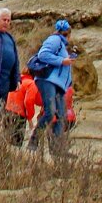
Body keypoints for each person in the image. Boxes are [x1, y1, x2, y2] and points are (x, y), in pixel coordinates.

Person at [29, 19, 75, 154]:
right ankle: (34, 140)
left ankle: (58, 149)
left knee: (61, 115)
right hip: (48, 80)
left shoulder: (62, 45)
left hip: (58, 84)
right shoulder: (55, 40)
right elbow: (43, 54)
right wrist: (62, 61)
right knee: (50, 112)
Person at [3, 69, 43, 145]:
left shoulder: (17, 80)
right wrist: (30, 117)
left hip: (7, 112)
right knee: (15, 144)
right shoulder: (31, 84)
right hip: (19, 116)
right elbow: (28, 101)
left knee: (6, 143)